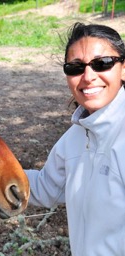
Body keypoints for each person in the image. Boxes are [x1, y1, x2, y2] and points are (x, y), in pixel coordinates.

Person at [25, 22, 125, 256]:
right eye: (75, 67)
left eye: (102, 64)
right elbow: (45, 187)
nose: (88, 77)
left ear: (122, 69)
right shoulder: (75, 137)